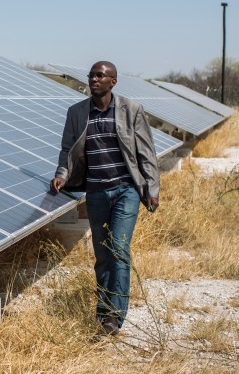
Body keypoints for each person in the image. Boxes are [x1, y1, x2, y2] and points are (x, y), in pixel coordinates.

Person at [50, 61, 159, 335]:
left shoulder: (130, 110)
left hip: (126, 191)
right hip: (96, 192)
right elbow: (66, 149)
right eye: (92, 75)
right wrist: (62, 174)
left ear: (113, 81)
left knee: (119, 252)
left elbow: (146, 153)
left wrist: (151, 189)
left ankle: (113, 318)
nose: (94, 79)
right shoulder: (76, 113)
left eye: (101, 76)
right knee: (102, 256)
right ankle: (103, 310)